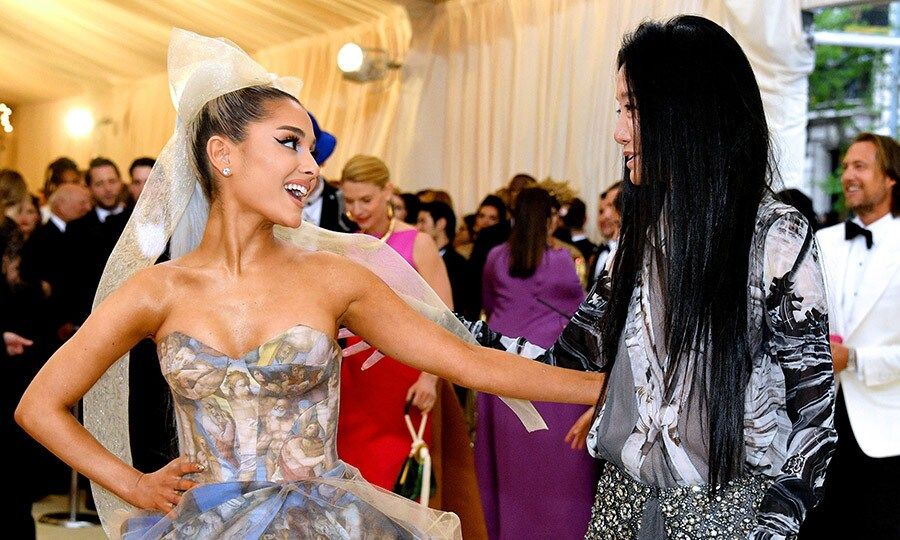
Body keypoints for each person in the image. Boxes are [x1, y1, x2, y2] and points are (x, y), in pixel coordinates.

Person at [15, 29, 601, 539]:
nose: (311, 169)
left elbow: (471, 364)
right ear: (223, 153)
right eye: (288, 142)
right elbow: (40, 405)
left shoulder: (334, 280)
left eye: (310, 149)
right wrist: (133, 485)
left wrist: (609, 387)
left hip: (327, 526)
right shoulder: (155, 292)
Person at [460, 16, 836, 539]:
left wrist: (769, 528)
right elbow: (566, 359)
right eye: (620, 108)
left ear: (687, 113)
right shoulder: (645, 234)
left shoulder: (775, 236)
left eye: (632, 108)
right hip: (622, 506)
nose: (618, 130)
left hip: (728, 519)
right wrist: (435, 328)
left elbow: (813, 415)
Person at [477, 186, 598, 539]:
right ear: (549, 218)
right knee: (559, 470)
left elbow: (488, 305)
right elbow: (582, 314)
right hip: (552, 375)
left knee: (508, 470)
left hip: (501, 371)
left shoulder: (495, 259)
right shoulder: (562, 261)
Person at [801, 132, 900, 539]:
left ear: (890, 177)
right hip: (817, 425)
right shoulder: (821, 243)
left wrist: (855, 358)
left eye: (860, 166)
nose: (847, 176)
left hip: (886, 429)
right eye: (844, 168)